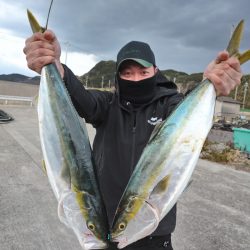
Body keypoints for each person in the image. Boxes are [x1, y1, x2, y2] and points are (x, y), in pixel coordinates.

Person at [23, 30, 242, 250]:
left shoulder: (169, 105)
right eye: (127, 73)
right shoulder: (107, 105)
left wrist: (210, 83)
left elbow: (189, 116)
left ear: (155, 71)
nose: (135, 79)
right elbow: (83, 99)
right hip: (108, 229)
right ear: (117, 77)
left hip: (156, 232)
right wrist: (57, 67)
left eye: (143, 72)